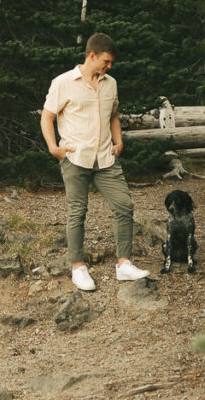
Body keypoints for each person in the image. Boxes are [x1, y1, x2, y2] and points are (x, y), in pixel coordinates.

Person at [40, 32, 149, 291]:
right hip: (76, 158)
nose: (109, 67)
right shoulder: (63, 82)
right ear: (92, 56)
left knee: (124, 205)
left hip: (106, 158)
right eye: (106, 61)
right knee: (77, 213)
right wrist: (54, 148)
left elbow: (113, 115)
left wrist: (118, 140)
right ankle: (78, 267)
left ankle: (124, 264)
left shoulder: (110, 83)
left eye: (111, 63)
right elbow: (47, 117)